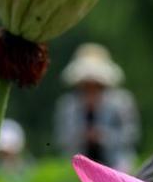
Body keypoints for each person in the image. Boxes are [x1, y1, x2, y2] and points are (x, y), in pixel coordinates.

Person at [55, 44, 139, 172]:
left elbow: (131, 134)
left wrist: (103, 137)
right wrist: (82, 136)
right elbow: (62, 138)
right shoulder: (68, 105)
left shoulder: (122, 102)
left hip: (116, 165)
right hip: (78, 169)